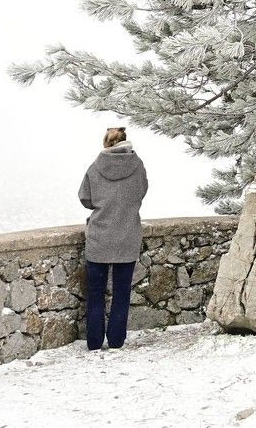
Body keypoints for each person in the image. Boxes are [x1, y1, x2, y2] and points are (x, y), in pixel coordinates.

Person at [77, 126, 148, 350]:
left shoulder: (95, 167)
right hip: (128, 235)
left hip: (100, 237)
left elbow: (85, 198)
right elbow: (141, 192)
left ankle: (95, 342)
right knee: (121, 291)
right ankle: (116, 340)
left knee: (96, 293)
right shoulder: (138, 167)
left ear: (106, 143)